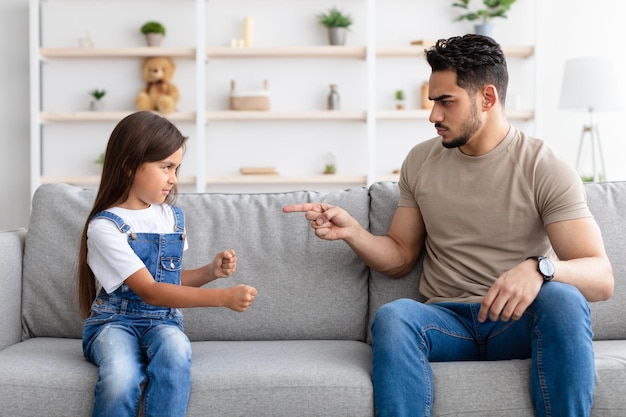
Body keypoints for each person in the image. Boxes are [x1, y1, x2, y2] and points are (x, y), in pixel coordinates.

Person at [283, 34, 614, 417]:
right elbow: (400, 256)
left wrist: (540, 269)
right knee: (394, 316)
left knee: (564, 298)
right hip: (446, 323)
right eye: (433, 102)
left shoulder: (544, 166)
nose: (433, 116)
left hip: (514, 323)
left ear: (487, 98)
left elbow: (601, 277)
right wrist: (353, 232)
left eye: (446, 101)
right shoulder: (421, 161)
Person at [77, 111, 258, 417]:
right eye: (166, 167)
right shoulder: (105, 227)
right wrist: (223, 297)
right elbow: (150, 290)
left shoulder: (170, 217)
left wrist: (210, 272)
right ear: (130, 166)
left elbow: (168, 281)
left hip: (163, 322)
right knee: (121, 377)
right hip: (114, 323)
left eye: (177, 168)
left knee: (176, 351)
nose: (174, 178)